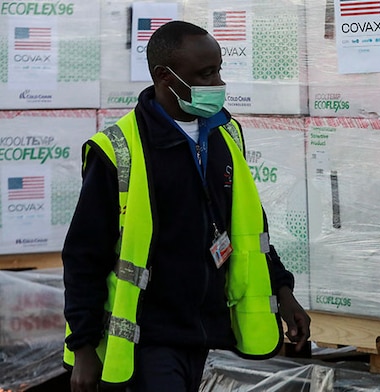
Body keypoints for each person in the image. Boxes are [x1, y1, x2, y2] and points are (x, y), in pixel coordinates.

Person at [62, 21, 310, 391]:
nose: (218, 83)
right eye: (206, 74)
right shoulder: (117, 150)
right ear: (165, 77)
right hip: (149, 334)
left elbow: (249, 231)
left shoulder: (226, 136)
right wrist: (82, 345)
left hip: (204, 328)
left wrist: (284, 291)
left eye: (219, 70)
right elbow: (84, 254)